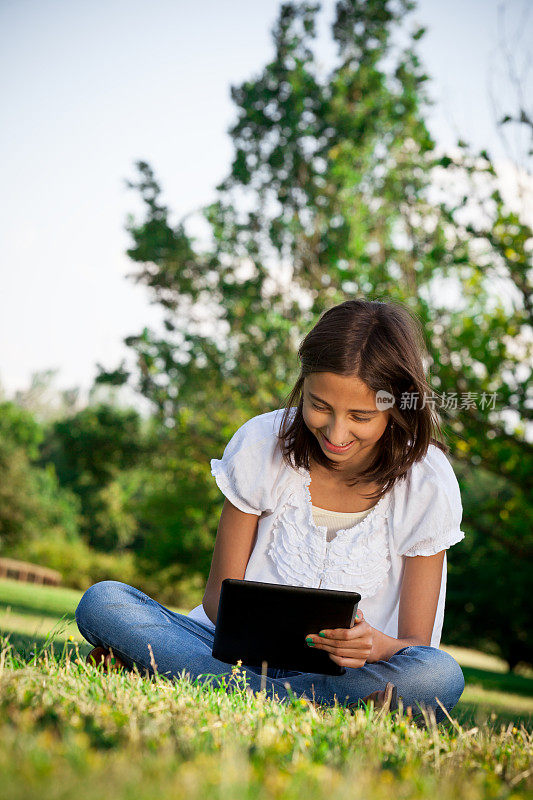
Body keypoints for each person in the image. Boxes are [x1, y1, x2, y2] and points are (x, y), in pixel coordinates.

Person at [75, 298, 466, 724]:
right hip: (229, 654)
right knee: (104, 601)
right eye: (320, 406)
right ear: (304, 383)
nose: (336, 433)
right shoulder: (262, 442)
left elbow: (415, 643)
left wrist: (373, 645)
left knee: (440, 675)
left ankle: (206, 685)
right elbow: (215, 601)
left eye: (360, 415)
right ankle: (303, 704)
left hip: (351, 672)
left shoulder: (426, 479)